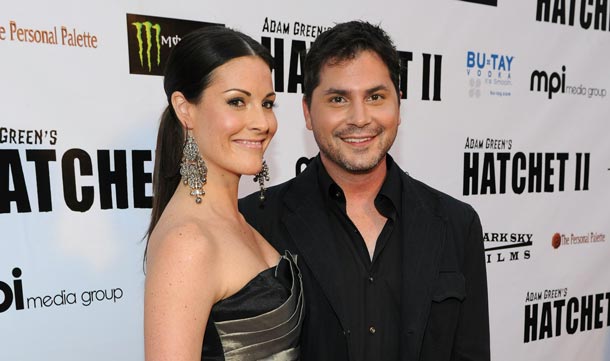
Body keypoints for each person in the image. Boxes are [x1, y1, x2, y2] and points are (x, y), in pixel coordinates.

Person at [240, 20, 490, 361]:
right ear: (308, 112)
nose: (360, 118)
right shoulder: (253, 222)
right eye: (338, 99)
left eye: (375, 97)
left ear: (398, 105)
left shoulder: (457, 224)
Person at [144, 26, 303, 361]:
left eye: (267, 103)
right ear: (185, 109)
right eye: (237, 102)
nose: (261, 122)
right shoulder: (187, 243)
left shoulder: (240, 219)